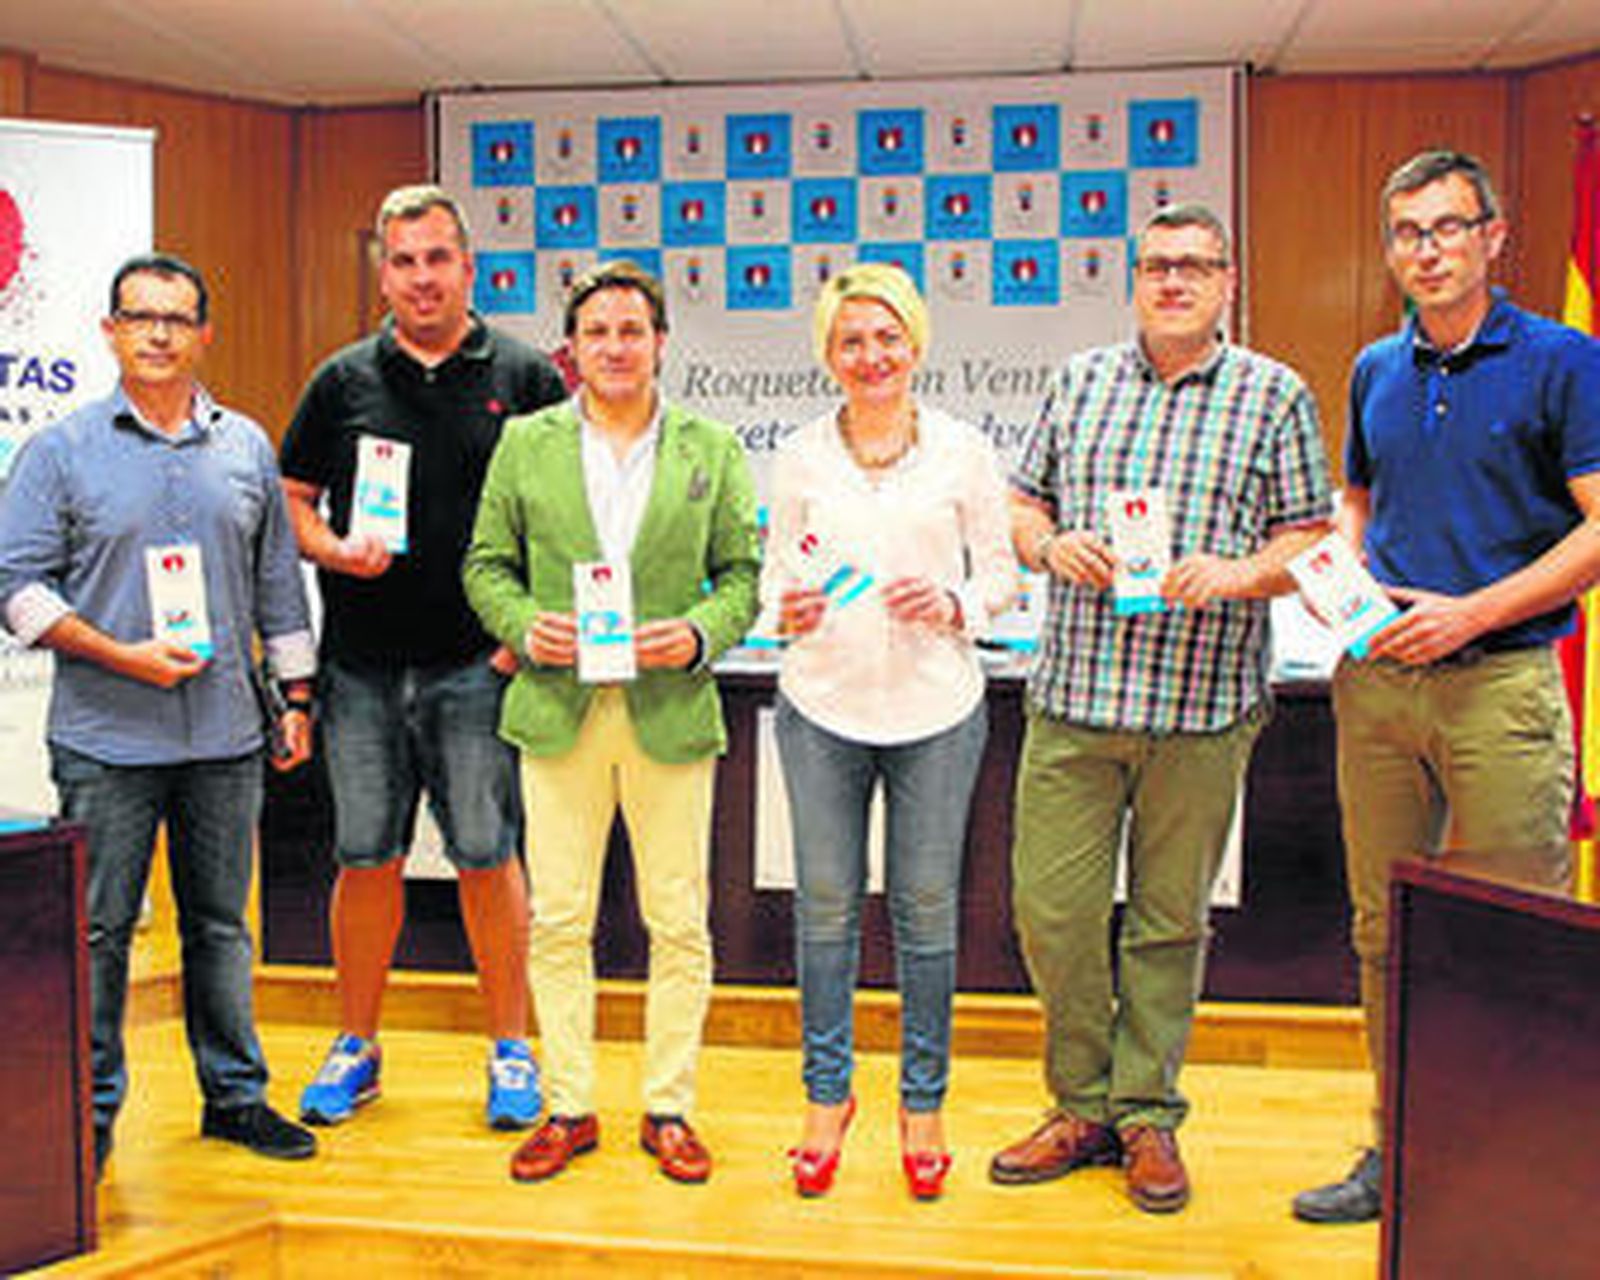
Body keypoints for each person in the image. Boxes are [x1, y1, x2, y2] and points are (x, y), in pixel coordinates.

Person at [990, 204, 1334, 1213]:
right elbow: (1021, 506)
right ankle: (1080, 1102)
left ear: (1227, 280)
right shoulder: (1079, 380)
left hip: (1202, 706)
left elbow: (1308, 537)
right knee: (1050, 914)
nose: (1173, 280)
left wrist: (1234, 573)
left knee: (1168, 920)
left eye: (1194, 265)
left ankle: (1143, 1111)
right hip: (1075, 701)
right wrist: (1049, 547)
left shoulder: (1273, 394)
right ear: (1133, 279)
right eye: (1156, 265)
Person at [1293, 150, 1600, 1225]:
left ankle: (1522, 1160)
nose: (1426, 249)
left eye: (1446, 227)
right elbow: (1357, 498)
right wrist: (1348, 575)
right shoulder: (1377, 367)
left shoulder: (1564, 360)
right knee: (1385, 929)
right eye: (1407, 233)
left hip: (1498, 686)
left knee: (1516, 929)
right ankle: (1401, 1143)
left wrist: (1470, 611)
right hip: (1378, 688)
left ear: (1493, 236)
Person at [0, 253, 318, 1172]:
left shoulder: (246, 446)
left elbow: (274, 586)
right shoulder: (58, 451)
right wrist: (117, 654)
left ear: (204, 333)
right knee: (98, 933)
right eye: (140, 317)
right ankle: (88, 1115)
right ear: (110, 331)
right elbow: (15, 587)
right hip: (105, 740)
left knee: (221, 924)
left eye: (177, 318)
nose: (159, 333)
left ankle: (235, 1097)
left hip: (225, 737)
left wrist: (295, 696)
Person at [464, 259, 760, 1185]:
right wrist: (521, 625)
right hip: (557, 710)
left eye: (633, 330)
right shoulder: (528, 445)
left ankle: (669, 1106)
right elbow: (485, 565)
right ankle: (569, 1106)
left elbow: (746, 578)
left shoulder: (712, 446)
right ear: (573, 349)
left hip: (669, 710)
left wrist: (700, 633)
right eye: (599, 332)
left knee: (678, 920)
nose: (617, 347)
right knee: (558, 918)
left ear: (661, 342)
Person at [279, 185, 566, 1131]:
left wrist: (522, 637)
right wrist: (330, 550)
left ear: (469, 267)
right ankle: (356, 1046)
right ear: (383, 271)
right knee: (367, 858)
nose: (421, 277)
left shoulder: (525, 377)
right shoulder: (341, 381)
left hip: (478, 668)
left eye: (437, 258)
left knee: (489, 857)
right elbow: (293, 502)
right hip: (359, 668)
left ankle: (511, 1051)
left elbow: (567, 518)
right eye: (402, 261)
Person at [762, 264, 1015, 1200]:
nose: (871, 357)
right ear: (829, 354)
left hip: (936, 712)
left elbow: (1000, 580)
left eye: (887, 338)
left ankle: (923, 1103)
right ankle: (826, 1100)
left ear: (915, 345)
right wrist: (779, 604)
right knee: (824, 912)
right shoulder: (797, 455)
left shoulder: (964, 450)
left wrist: (954, 602)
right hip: (821, 708)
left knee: (925, 915)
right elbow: (771, 576)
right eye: (851, 342)